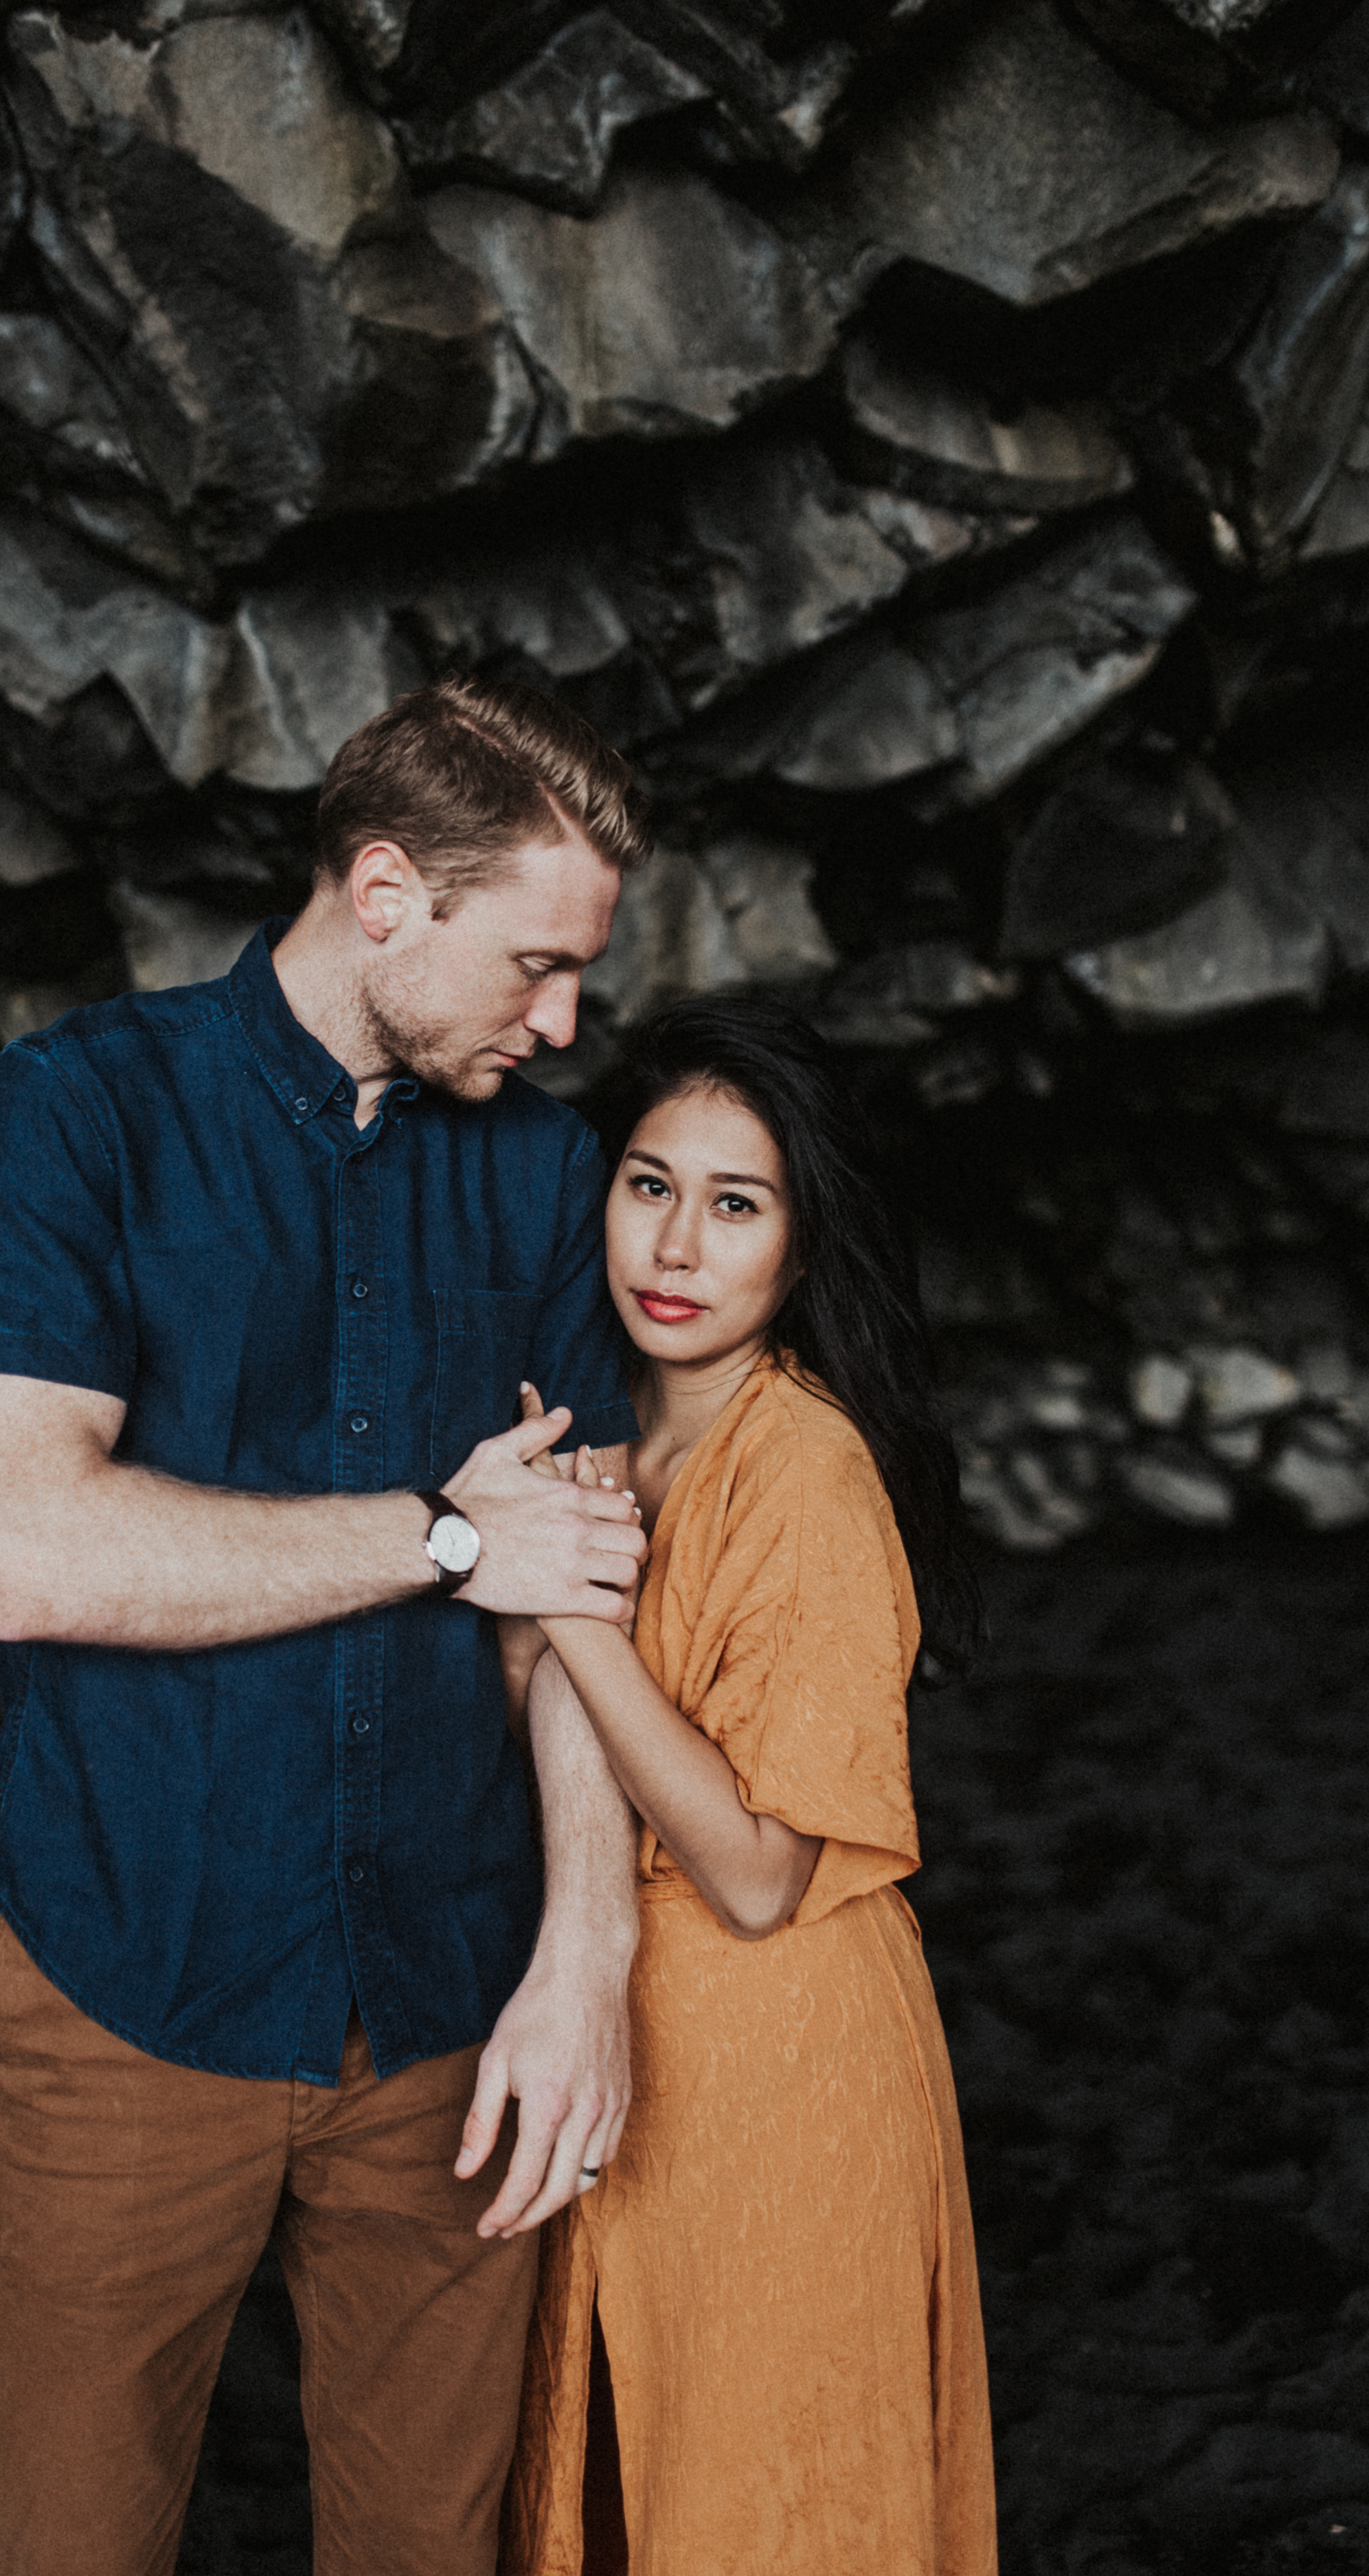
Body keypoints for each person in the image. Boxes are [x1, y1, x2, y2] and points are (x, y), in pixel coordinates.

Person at [0, 675, 659, 2576]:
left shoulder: (546, 1170)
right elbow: (27, 1549)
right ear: (390, 889)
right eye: (534, 963)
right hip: (128, 1973)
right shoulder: (77, 1105)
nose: (564, 1018)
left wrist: (579, 1959)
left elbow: (569, 1600)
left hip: (452, 2008)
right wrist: (434, 1531)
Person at [499, 991, 998, 2576]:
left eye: (734, 1205)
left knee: (767, 2499)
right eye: (647, 1184)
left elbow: (761, 1869)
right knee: (640, 2482)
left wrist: (569, 1608)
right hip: (629, 2035)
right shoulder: (599, 1437)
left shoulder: (806, 1468)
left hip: (785, 2065)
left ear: (799, 1244)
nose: (674, 1246)